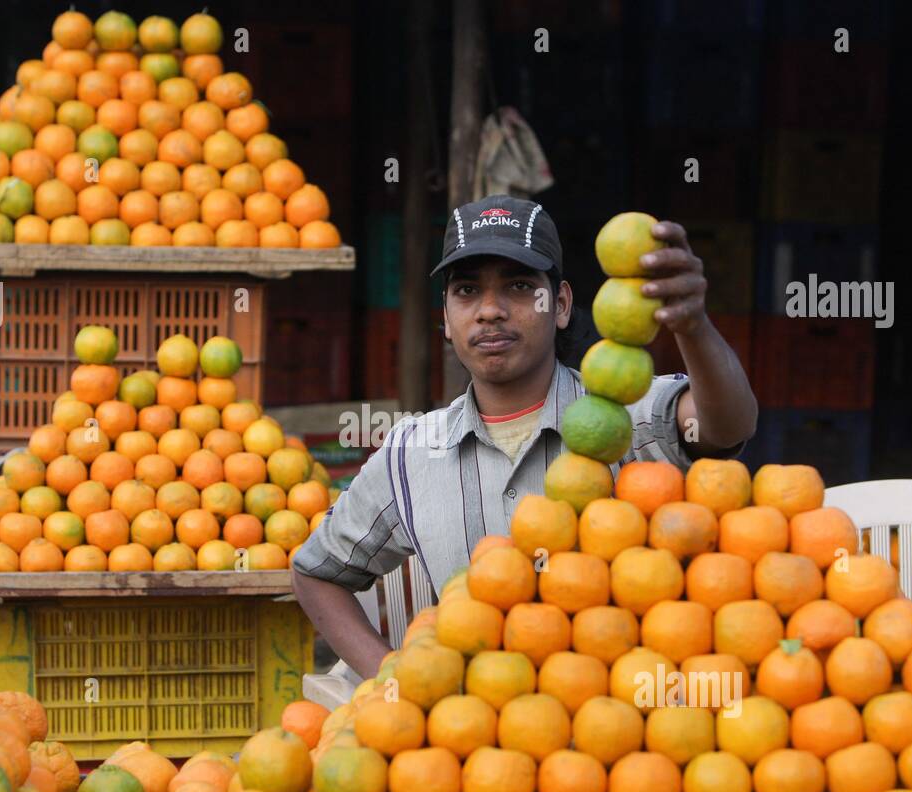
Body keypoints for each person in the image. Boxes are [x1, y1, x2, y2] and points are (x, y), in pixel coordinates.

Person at [291, 195, 758, 678]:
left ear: (559, 305)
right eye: (467, 291)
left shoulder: (626, 409)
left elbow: (728, 425)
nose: (490, 310)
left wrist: (693, 325)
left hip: (623, 720)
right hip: (483, 732)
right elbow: (316, 572)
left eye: (517, 286)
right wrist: (393, 679)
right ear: (447, 321)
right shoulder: (409, 453)